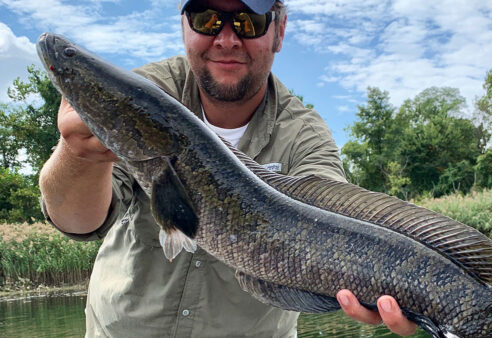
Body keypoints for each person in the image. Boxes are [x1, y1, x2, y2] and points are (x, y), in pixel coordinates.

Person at [38, 0, 417, 336]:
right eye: (206, 18)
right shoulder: (149, 89)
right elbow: (78, 222)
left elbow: (338, 218)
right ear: (184, 25)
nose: (227, 38)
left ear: (279, 30)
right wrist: (78, 153)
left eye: (249, 21)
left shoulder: (305, 133)